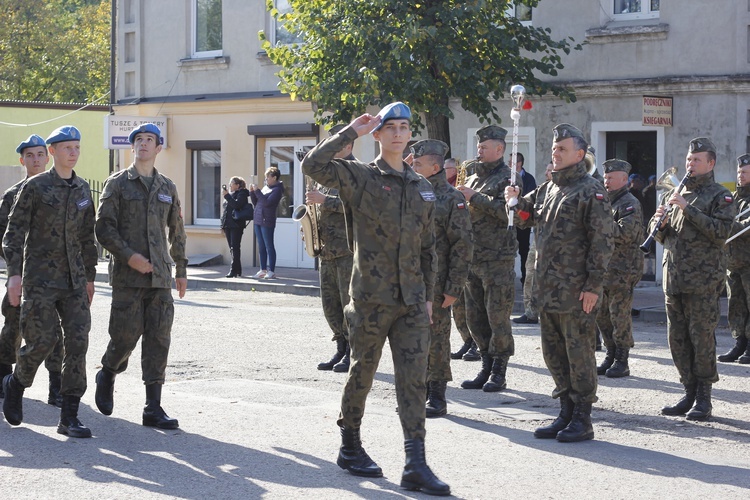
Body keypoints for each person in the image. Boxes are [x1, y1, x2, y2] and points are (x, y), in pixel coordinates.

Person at [301, 102, 449, 496]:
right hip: (370, 298)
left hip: (413, 301)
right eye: (390, 127)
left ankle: (415, 462)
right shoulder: (360, 177)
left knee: (414, 381)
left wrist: (430, 296)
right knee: (362, 374)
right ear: (379, 135)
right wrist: (352, 131)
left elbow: (428, 249)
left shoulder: (423, 188)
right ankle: (350, 445)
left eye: (404, 127)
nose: (399, 133)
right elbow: (313, 166)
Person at [506, 123, 614, 442]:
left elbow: (602, 242)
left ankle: (583, 417)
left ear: (579, 154)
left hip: (577, 290)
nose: (556, 152)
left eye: (562, 148)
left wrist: (594, 286)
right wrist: (514, 200)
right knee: (554, 353)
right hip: (548, 289)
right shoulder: (548, 188)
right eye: (554, 148)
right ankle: (565, 411)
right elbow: (527, 216)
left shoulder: (590, 190)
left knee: (579, 352)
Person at [2, 125, 97, 438]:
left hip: (74, 281)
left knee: (78, 343)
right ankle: (16, 383)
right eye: (67, 147)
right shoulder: (36, 187)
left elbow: (87, 238)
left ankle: (69, 415)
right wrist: (14, 275)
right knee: (44, 341)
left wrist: (90, 278)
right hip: (41, 279)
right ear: (53, 151)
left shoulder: (83, 190)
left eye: (77, 147)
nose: (73, 152)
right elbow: (13, 233)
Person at [93, 123, 187, 430]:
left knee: (159, 339)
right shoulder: (117, 184)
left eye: (149, 140)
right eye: (139, 140)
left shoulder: (167, 187)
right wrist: (128, 256)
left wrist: (181, 269)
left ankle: (153, 407)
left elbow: (177, 230)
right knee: (124, 337)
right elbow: (103, 227)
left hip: (159, 276)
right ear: (132, 147)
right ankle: (107, 371)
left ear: (159, 148)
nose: (143, 144)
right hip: (127, 276)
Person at [650, 137, 735, 421]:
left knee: (701, 339)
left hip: (703, 281)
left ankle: (704, 398)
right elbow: (662, 235)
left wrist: (688, 208)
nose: (690, 164)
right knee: (677, 340)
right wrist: (658, 224)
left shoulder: (720, 196)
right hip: (674, 279)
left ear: (710, 164)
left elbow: (721, 232)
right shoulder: (674, 193)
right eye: (689, 159)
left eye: (696, 160)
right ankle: (687, 391)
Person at [0, 135, 65, 406]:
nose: (36, 160)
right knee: (12, 327)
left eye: (40, 155)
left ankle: (56, 386)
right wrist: (16, 272)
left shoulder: (62, 189)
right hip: (23, 276)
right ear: (22, 160)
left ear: (47, 157)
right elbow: (4, 237)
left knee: (55, 332)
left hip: (55, 277)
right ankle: (4, 377)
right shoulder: (12, 195)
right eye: (30, 155)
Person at [410, 139, 473, 418]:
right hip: (409, 279)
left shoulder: (451, 198)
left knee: (436, 338)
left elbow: (462, 245)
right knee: (412, 337)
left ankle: (437, 395)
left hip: (436, 283)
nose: (412, 165)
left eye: (418, 163)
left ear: (435, 167)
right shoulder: (411, 192)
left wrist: (454, 287)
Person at [457, 125, 516, 393]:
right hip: (473, 256)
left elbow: (508, 214)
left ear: (499, 149)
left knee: (497, 316)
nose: (478, 150)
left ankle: (499, 371)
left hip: (497, 259)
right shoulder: (472, 177)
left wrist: (475, 198)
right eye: (478, 146)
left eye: (484, 146)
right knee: (475, 316)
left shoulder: (509, 178)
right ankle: (485, 363)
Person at [310, 124, 355, 373]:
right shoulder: (329, 173)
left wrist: (325, 201)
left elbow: (358, 203)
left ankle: (352, 352)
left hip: (347, 250)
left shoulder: (357, 171)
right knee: (330, 304)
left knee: (348, 304)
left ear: (348, 146)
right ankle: (340, 347)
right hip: (327, 250)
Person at [596, 159, 644, 378]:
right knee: (602, 315)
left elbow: (626, 234)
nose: (606, 181)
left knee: (619, 315)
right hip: (603, 268)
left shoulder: (629, 203)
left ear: (624, 180)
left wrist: (598, 223)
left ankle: (622, 359)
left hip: (623, 270)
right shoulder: (604, 201)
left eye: (611, 177)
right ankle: (610, 353)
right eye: (605, 177)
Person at [513, 161, 553, 325]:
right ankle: (530, 312)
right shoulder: (542, 189)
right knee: (530, 275)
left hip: (559, 246)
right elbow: (525, 208)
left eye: (550, 170)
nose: (547, 173)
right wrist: (515, 199)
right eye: (547, 170)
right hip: (539, 240)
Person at [721, 154, 750, 364]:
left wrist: (724, 224)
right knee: (735, 304)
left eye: (745, 172)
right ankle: (739, 342)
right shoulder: (733, 197)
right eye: (739, 172)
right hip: (732, 262)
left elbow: (744, 228)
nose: (740, 175)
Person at [249, 167, 284, 279]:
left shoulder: (277, 190)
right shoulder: (265, 187)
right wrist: (252, 192)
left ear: (274, 178)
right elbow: (257, 202)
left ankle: (271, 270)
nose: (266, 180)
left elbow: (267, 203)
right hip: (258, 219)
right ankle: (262, 269)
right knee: (261, 245)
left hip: (267, 220)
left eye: (267, 177)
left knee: (269, 245)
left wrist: (257, 191)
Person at [514, 152, 537, 285]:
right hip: (511, 221)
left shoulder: (528, 178)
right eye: (510, 161)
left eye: (514, 162)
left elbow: (529, 199)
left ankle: (524, 279)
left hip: (523, 218)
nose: (512, 164)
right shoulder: (507, 177)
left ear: (520, 163)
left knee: (524, 250)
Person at [221, 176, 251, 278]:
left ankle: (233, 270)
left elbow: (237, 205)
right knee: (232, 248)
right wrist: (223, 225)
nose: (229, 185)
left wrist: (227, 196)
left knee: (235, 247)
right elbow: (226, 211)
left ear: (237, 185)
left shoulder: (242, 194)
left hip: (236, 225)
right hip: (228, 224)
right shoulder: (231, 195)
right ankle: (238, 269)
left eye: (231, 183)